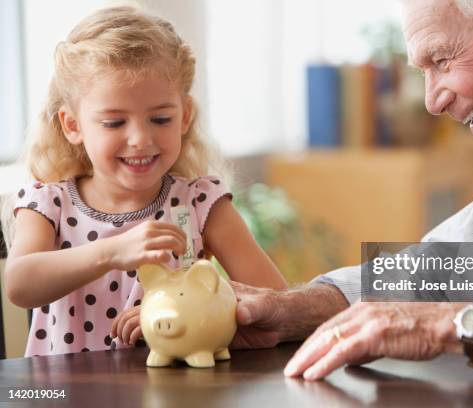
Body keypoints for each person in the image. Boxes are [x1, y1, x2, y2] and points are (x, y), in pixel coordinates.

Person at [230, 0, 473, 385]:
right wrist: (300, 308)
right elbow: (443, 269)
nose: (432, 101)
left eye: (443, 60)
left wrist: (452, 327)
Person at [4, 6, 287, 357]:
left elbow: (277, 304)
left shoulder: (200, 203)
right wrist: (110, 252)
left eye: (160, 118)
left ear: (185, 117)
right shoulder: (48, 203)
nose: (140, 138)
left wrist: (188, 310)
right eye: (114, 123)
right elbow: (20, 284)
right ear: (73, 126)